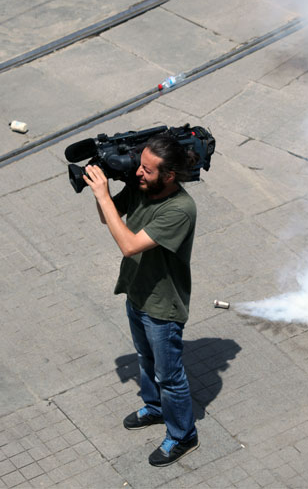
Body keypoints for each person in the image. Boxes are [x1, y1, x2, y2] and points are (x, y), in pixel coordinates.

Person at [83, 133, 199, 467]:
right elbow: (109, 218)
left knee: (170, 376)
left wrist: (104, 194)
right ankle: (156, 407)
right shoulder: (141, 186)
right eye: (140, 165)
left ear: (169, 176)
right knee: (144, 358)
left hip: (163, 305)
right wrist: (98, 191)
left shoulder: (180, 209)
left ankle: (183, 435)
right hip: (137, 291)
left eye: (147, 170)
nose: (138, 173)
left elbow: (129, 244)